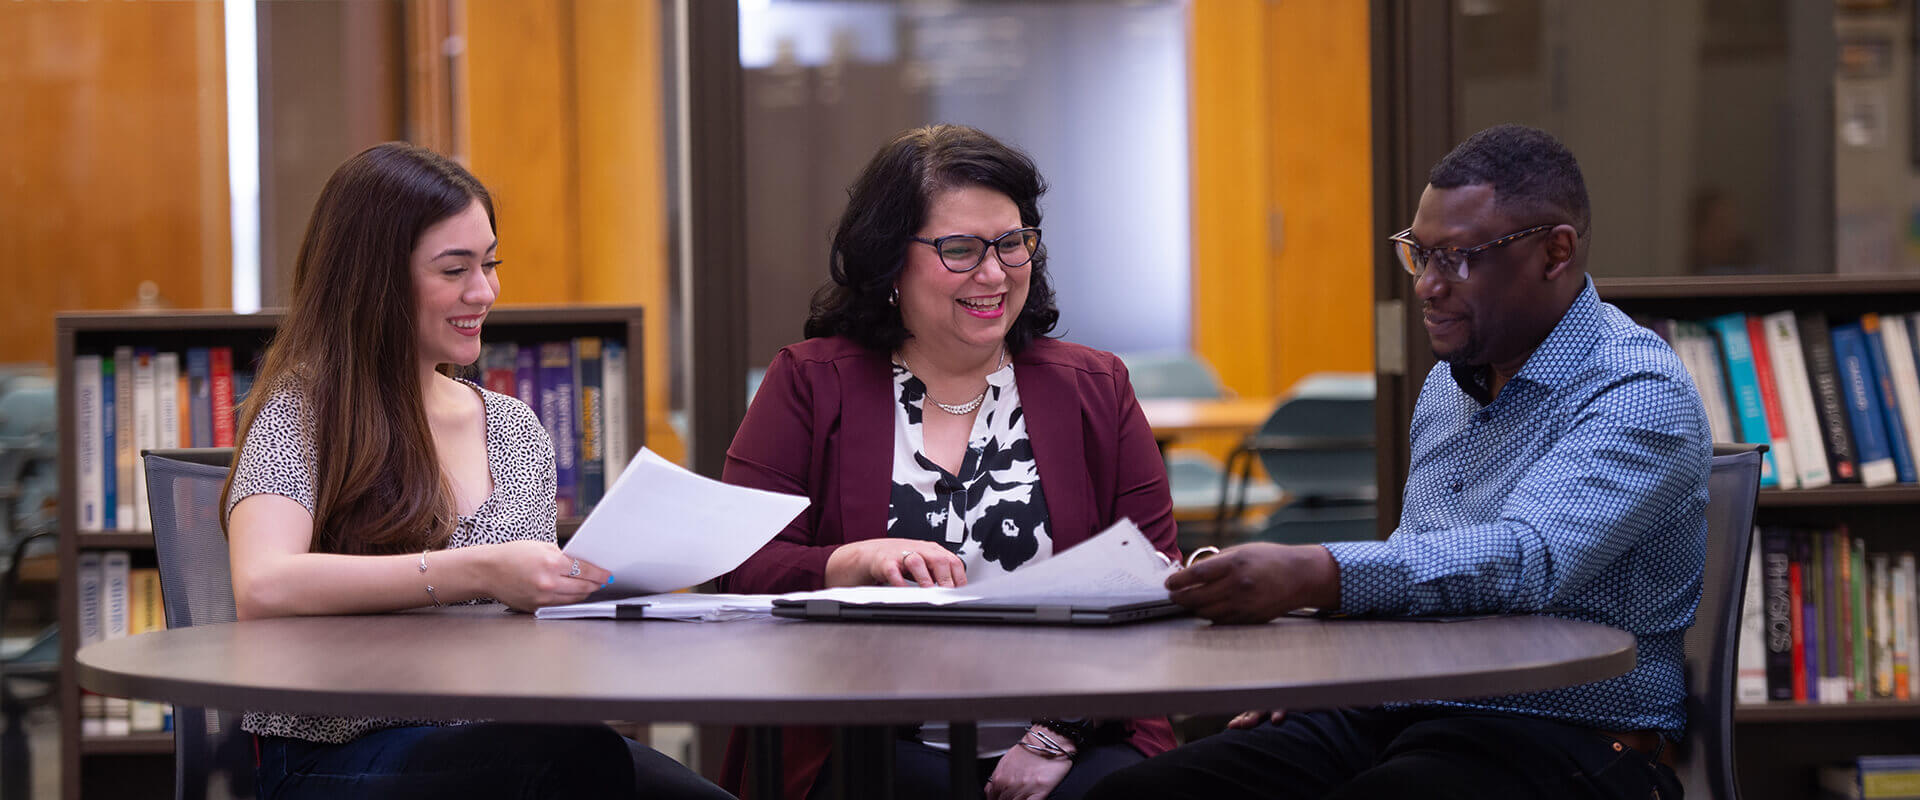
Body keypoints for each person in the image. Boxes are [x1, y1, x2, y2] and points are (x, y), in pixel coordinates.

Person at [1088, 124, 1710, 800]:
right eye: (1419, 254)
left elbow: (1525, 560)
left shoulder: (1636, 389)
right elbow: (1427, 562)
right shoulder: (1452, 382)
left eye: (1458, 259)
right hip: (1407, 707)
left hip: (1564, 734)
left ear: (1554, 252)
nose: (1426, 286)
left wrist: (1315, 572)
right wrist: (1328, 668)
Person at [222, 142, 732, 800]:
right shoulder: (302, 413)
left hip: (501, 737)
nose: (484, 291)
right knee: (572, 761)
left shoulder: (516, 430)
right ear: (376, 279)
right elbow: (261, 585)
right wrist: (481, 570)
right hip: (331, 754)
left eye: (489, 264)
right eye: (454, 269)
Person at [716, 124, 1180, 800]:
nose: (993, 273)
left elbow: (1155, 586)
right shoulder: (809, 383)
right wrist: (846, 563)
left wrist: (1058, 736)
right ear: (889, 262)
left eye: (1012, 243)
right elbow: (736, 571)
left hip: (1080, 736)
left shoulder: (1096, 388)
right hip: (861, 743)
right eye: (959, 249)